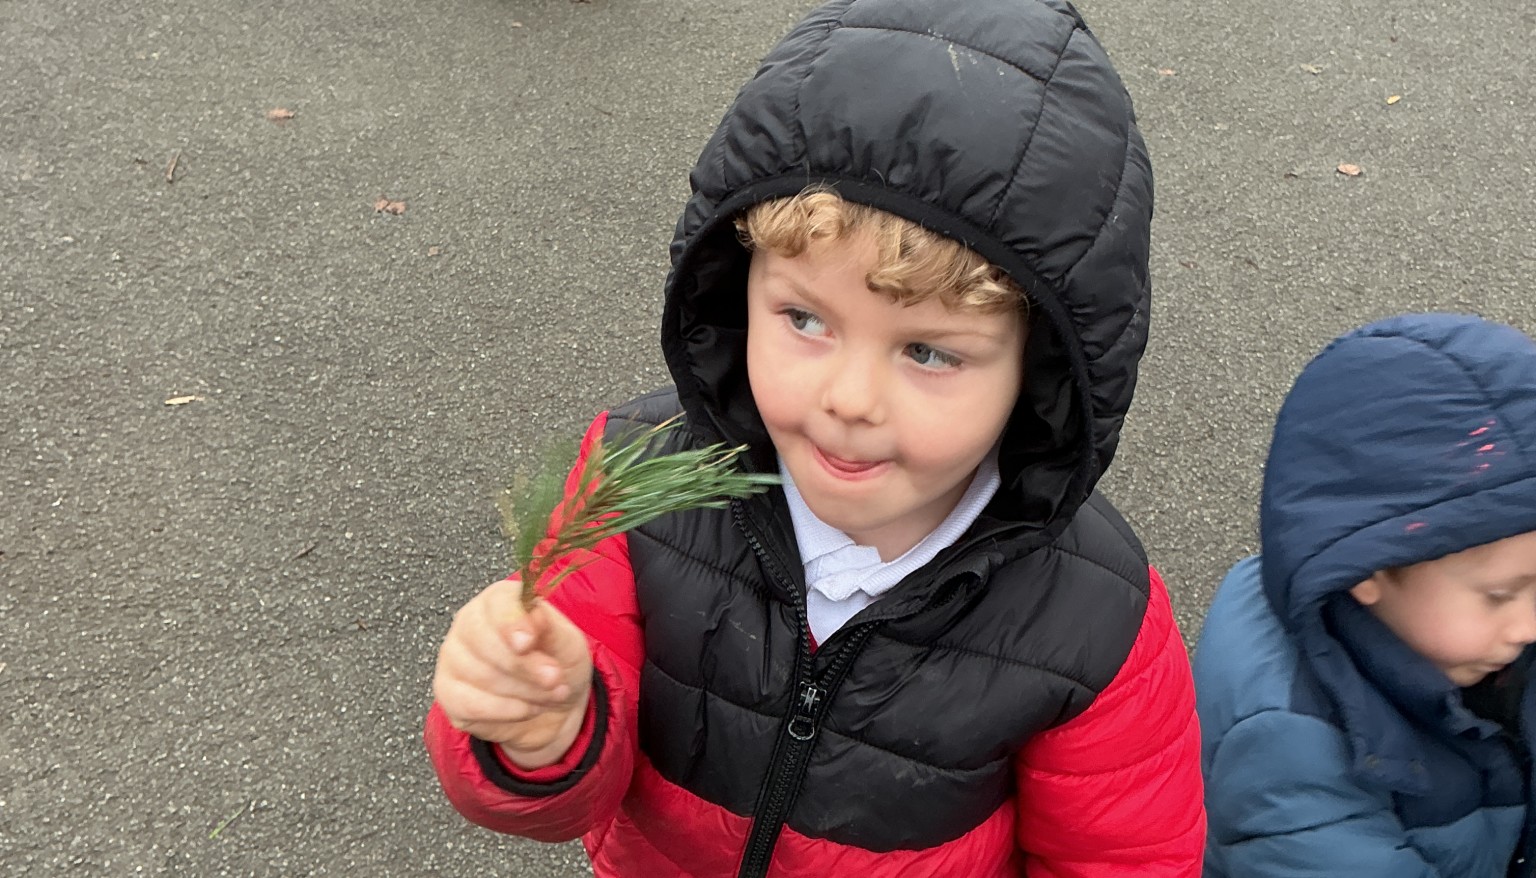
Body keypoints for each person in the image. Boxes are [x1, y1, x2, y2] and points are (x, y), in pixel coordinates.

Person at [424, 0, 1204, 874]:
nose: (850, 398)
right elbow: (572, 796)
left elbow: (1126, 857)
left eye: (929, 351)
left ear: (1042, 370)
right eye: (804, 317)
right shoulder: (636, 482)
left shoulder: (1094, 619)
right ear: (735, 286)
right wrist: (537, 734)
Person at [1195, 313, 1536, 877]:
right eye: (1500, 595)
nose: (1529, 625)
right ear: (1366, 569)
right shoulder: (1291, 748)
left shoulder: (1468, 630)